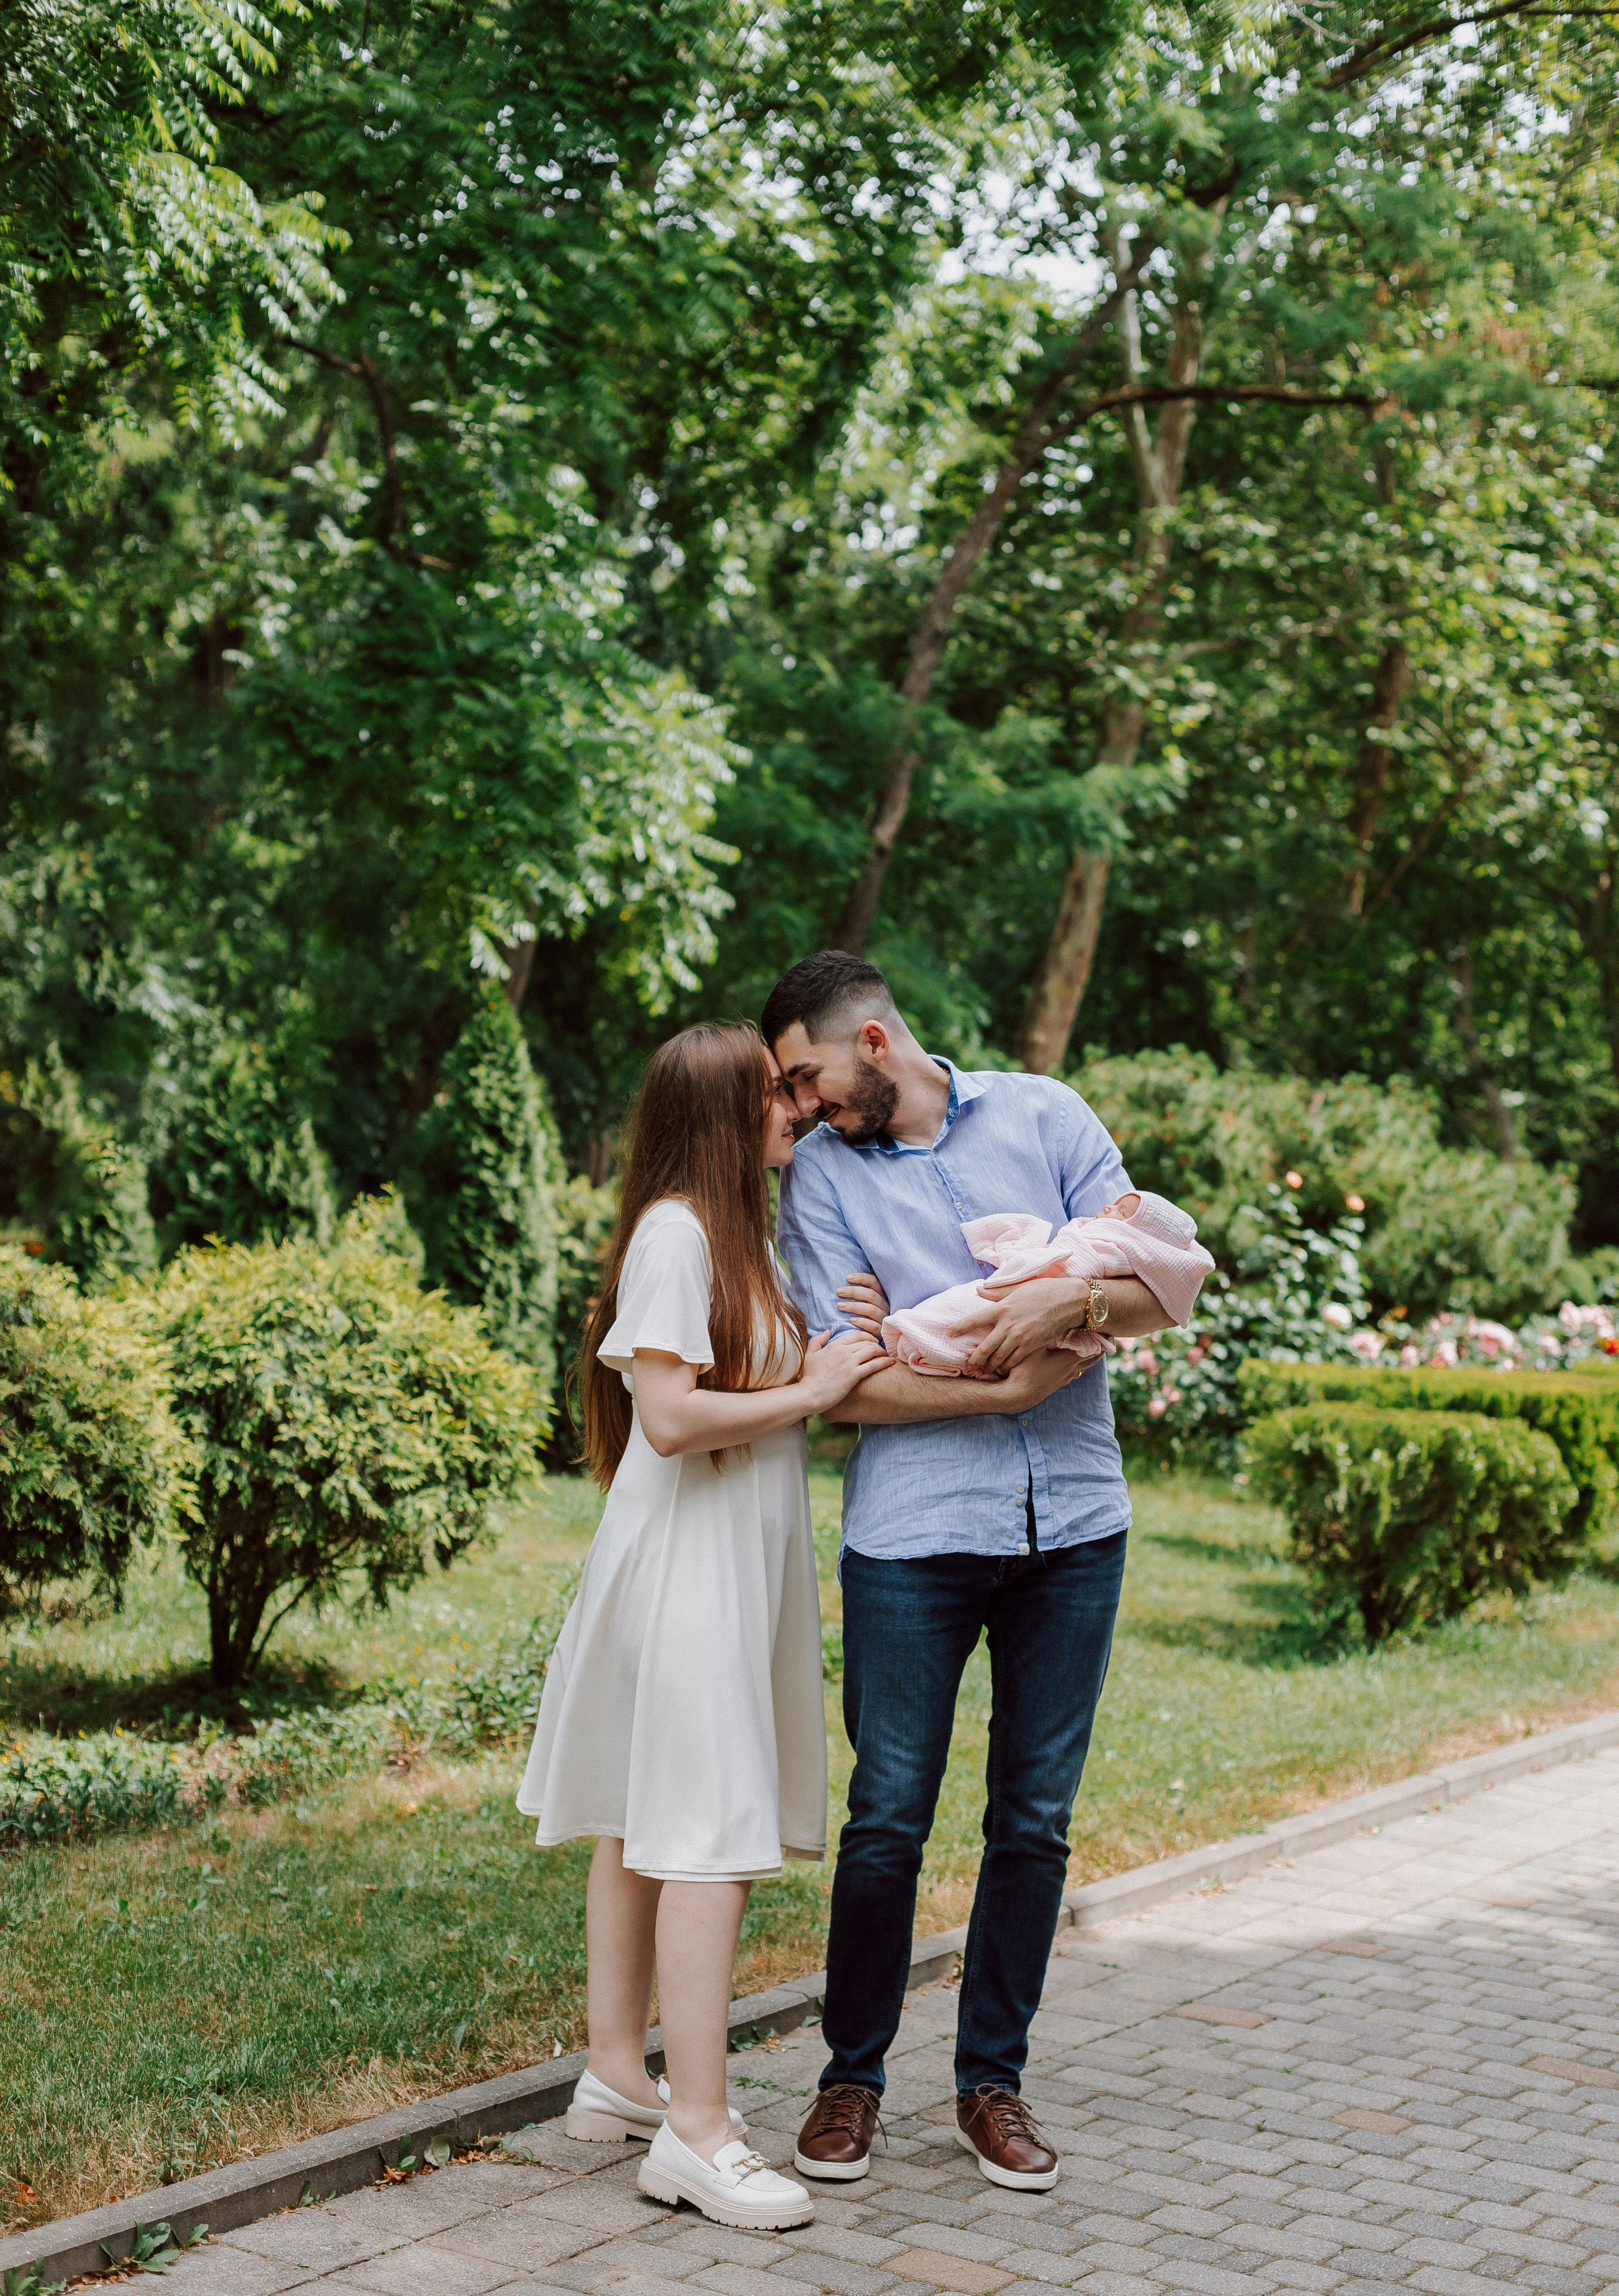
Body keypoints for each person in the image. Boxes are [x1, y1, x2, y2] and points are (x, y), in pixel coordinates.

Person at [763, 951, 1180, 2193]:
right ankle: (851, 2076)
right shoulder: (822, 1182)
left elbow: (1159, 1276)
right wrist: (1005, 1368)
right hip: (910, 1540)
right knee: (887, 1812)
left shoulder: (1049, 1116)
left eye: (807, 1077)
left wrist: (1058, 1310)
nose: (800, 1108)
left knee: (1033, 1820)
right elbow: (850, 1382)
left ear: (874, 1041)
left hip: (1075, 1529)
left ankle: (989, 2081)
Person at [516, 1022, 894, 2230]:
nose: (797, 1108)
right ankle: (699, 2134)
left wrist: (841, 1338)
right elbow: (672, 1418)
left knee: (642, 1826)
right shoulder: (678, 1234)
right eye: (776, 1094)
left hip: (718, 1566)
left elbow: (765, 1385)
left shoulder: (738, 1243)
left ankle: (619, 2077)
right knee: (707, 1836)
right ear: (726, 1113)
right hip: (687, 1574)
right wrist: (818, 1387)